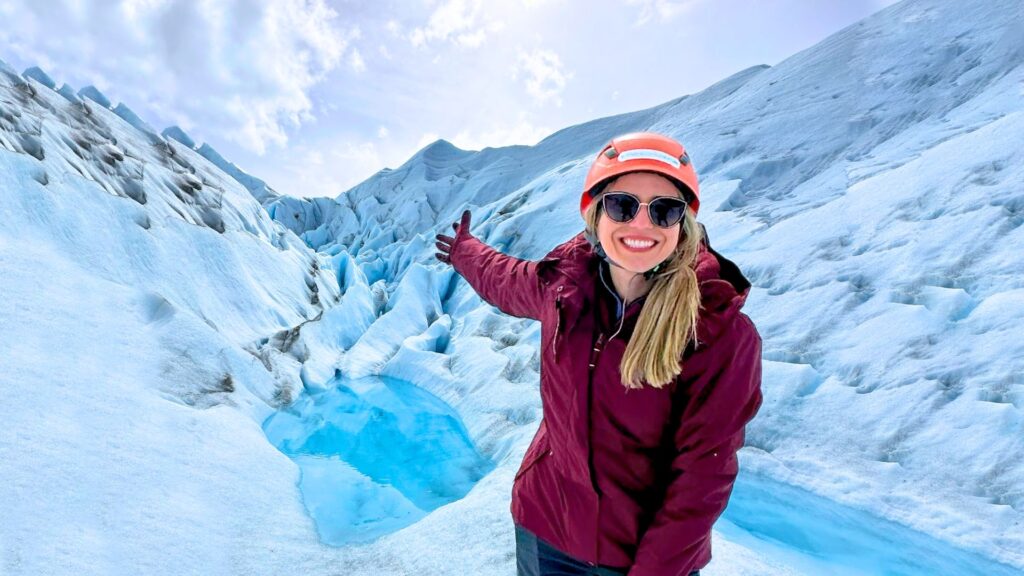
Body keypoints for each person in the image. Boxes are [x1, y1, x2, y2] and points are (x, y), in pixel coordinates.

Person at [435, 132, 763, 576]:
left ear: (683, 223)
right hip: (546, 527)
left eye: (665, 209)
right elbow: (505, 278)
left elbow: (703, 475)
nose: (642, 224)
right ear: (594, 210)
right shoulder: (562, 288)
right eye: (623, 204)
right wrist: (464, 251)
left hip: (638, 558)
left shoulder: (717, 329)